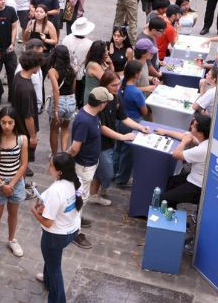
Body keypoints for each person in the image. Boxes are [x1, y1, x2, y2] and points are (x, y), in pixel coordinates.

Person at [31, 152, 82, 303]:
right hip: (71, 228)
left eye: (51, 164)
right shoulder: (73, 181)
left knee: (54, 268)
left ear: (60, 171)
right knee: (52, 261)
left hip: (55, 234)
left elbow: (47, 222)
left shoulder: (56, 190)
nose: (48, 166)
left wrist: (34, 211)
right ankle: (47, 280)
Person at [88, 72, 147, 206]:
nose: (117, 87)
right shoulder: (99, 101)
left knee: (102, 170)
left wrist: (139, 127)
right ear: (104, 86)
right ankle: (95, 193)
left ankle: (96, 193)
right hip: (99, 142)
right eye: (113, 85)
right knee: (107, 173)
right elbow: (101, 127)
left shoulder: (116, 98)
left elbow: (124, 117)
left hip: (109, 141)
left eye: (118, 84)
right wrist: (122, 136)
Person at [68, 86, 112, 249]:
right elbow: (74, 148)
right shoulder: (85, 120)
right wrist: (65, 157)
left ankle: (77, 218)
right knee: (80, 197)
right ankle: (74, 231)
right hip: (84, 166)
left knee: (82, 197)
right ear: (101, 104)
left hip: (90, 164)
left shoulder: (92, 115)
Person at [0, 106, 28, 264]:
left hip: (15, 182)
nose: (7, 126)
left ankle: (11, 239)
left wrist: (12, 183)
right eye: (3, 122)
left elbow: (23, 164)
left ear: (16, 123)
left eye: (10, 122)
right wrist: (2, 183)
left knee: (13, 213)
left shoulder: (22, 139)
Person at [155, 115, 212, 208]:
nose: (191, 127)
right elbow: (186, 136)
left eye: (194, 126)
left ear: (200, 133)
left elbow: (176, 154)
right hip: (195, 177)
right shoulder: (206, 139)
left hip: (197, 187)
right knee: (171, 181)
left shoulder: (201, 150)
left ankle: (176, 220)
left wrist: (184, 142)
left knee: (163, 199)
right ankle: (172, 210)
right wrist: (165, 132)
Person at [12, 51, 43, 162]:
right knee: (24, 158)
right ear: (34, 66)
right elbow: (28, 116)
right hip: (24, 129)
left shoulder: (17, 76)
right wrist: (33, 136)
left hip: (17, 124)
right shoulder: (27, 89)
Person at [47, 45, 76, 155]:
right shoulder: (72, 69)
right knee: (65, 128)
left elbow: (56, 90)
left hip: (60, 101)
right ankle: (64, 153)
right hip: (71, 101)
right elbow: (73, 88)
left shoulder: (53, 71)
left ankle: (54, 155)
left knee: (54, 130)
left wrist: (56, 109)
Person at [83, 40, 113, 104]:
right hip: (94, 98)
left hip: (99, 96)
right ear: (100, 53)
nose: (108, 52)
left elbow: (112, 75)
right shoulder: (94, 65)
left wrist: (111, 63)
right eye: (105, 50)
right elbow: (108, 80)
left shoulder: (101, 62)